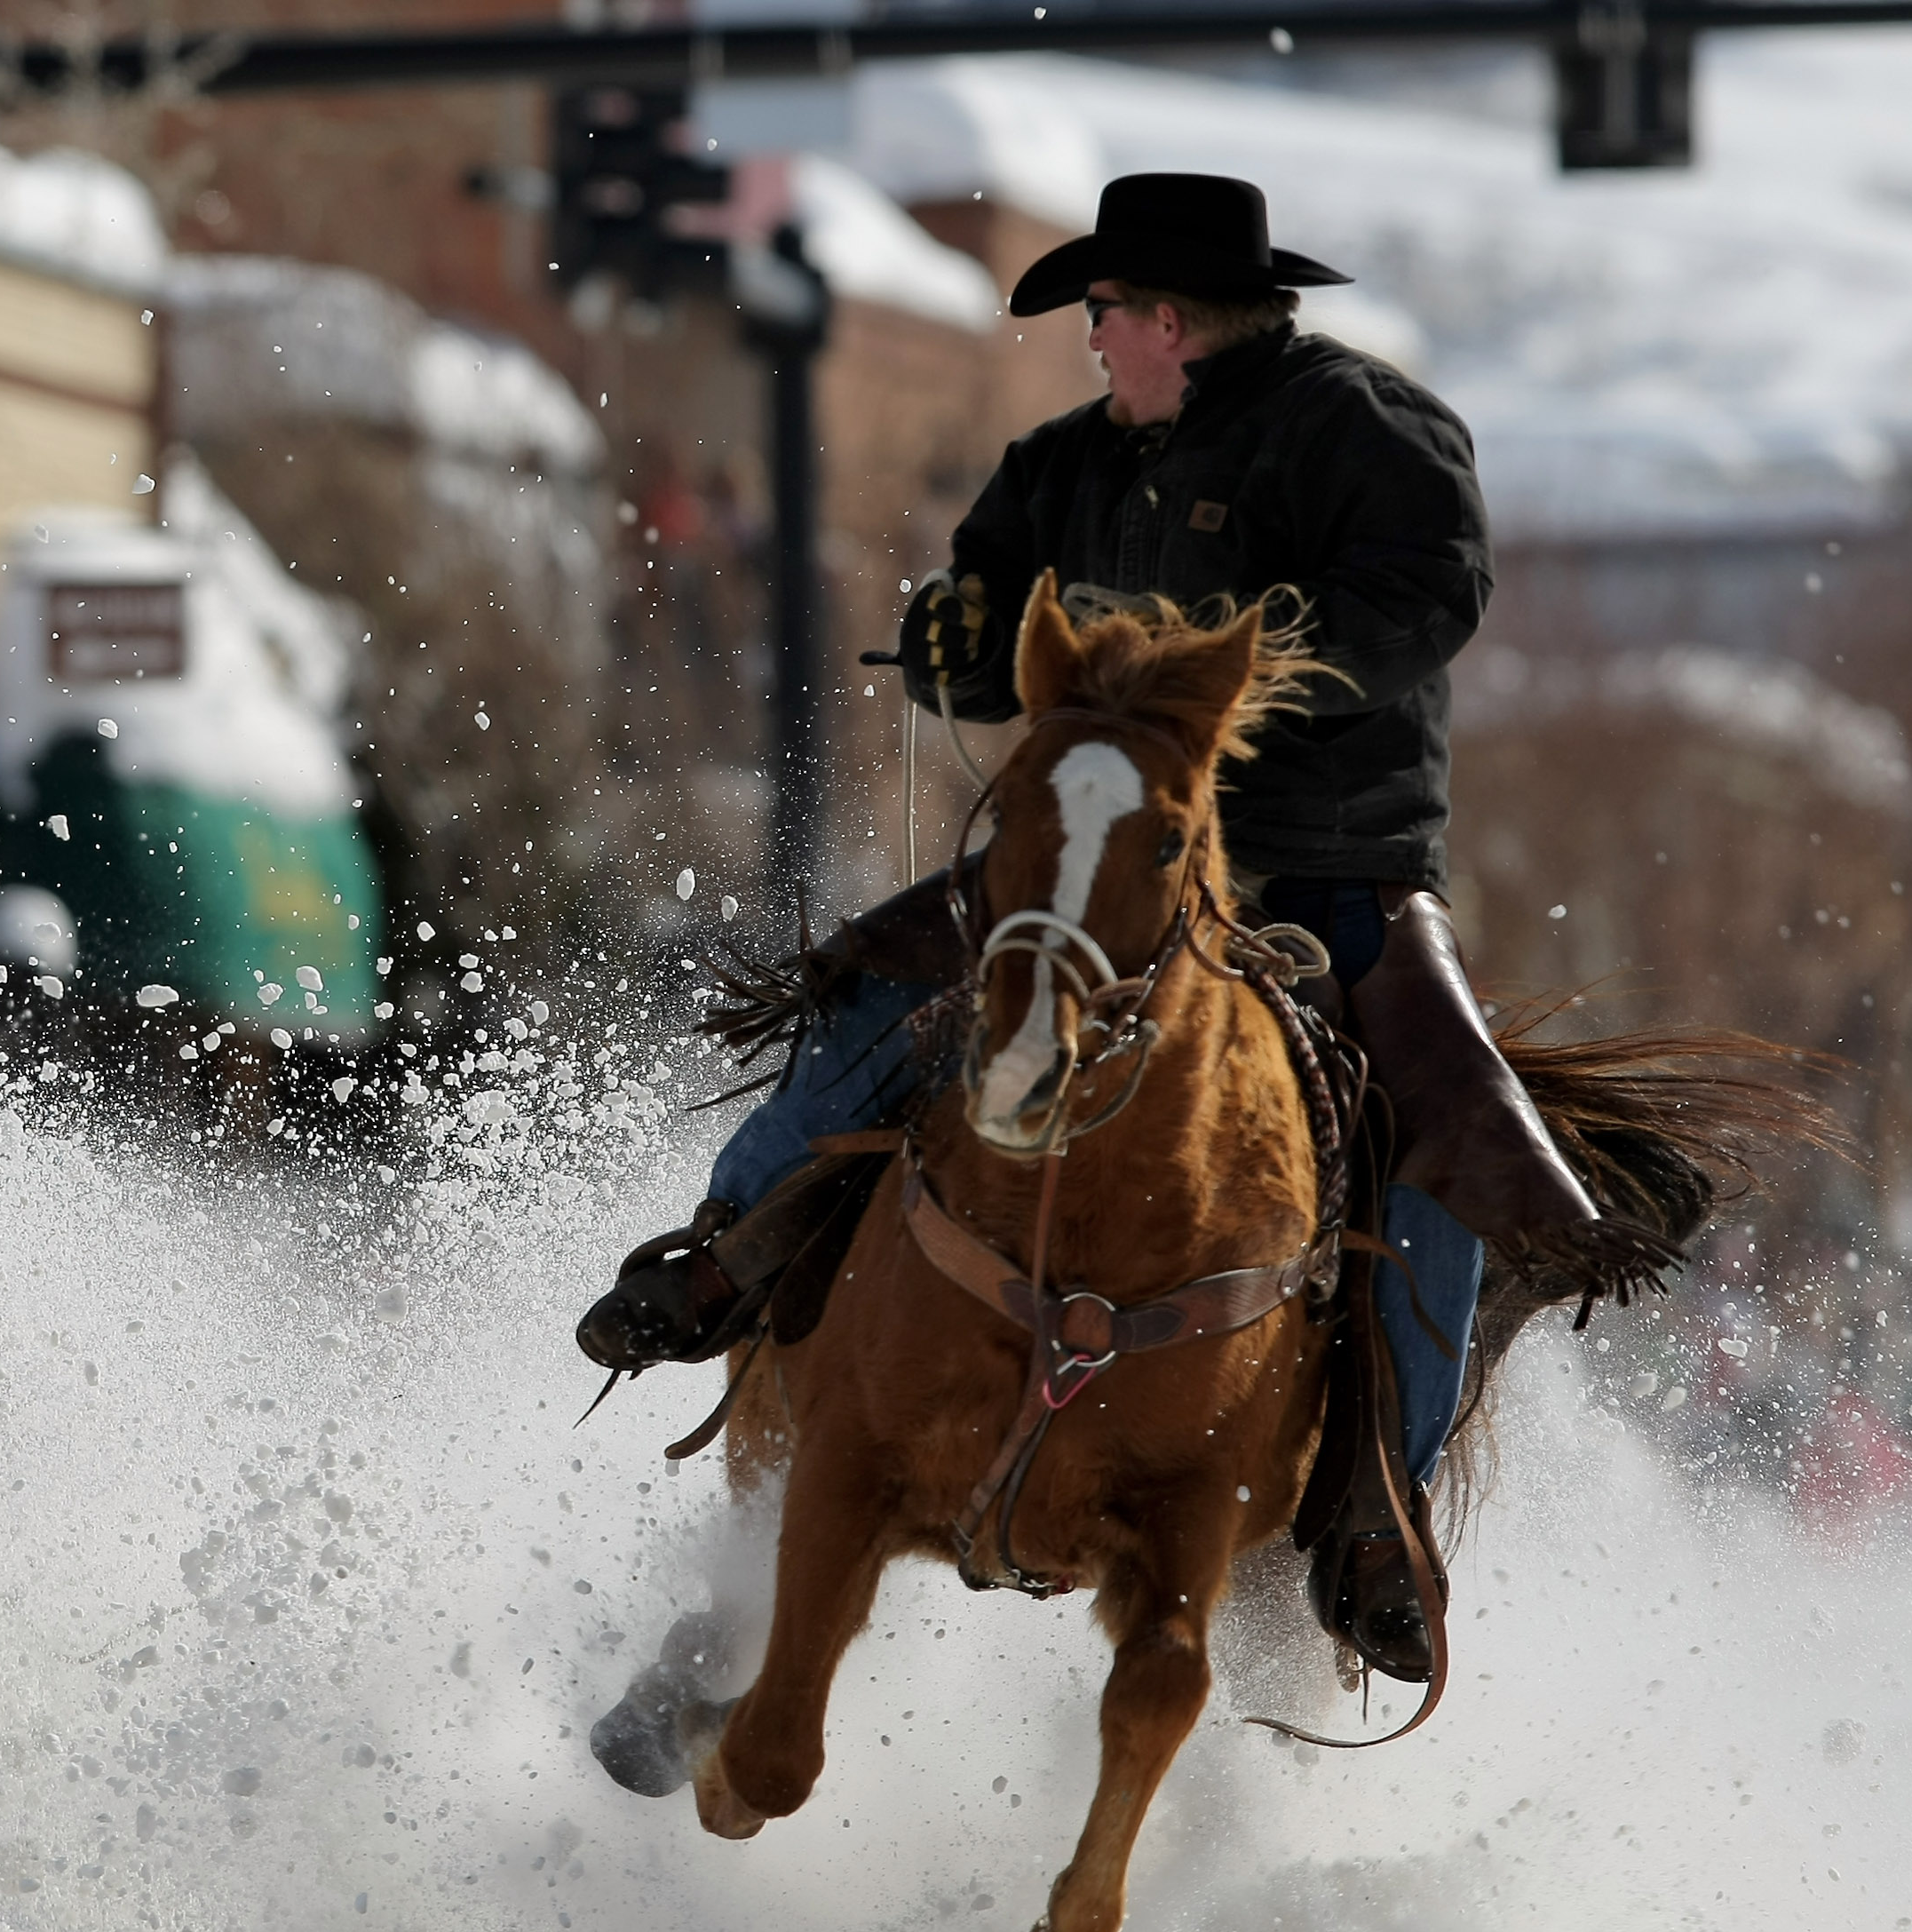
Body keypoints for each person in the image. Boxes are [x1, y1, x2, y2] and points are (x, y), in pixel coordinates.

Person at [577, 173, 1644, 1681]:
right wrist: (957, 642)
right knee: (867, 1004)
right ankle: (721, 1264)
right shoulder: (1062, 466)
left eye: (1100, 316)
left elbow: (1431, 594)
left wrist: (1233, 686)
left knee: (1452, 1143)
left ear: (1165, 320)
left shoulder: (1369, 432)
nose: (1089, 345)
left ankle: (1374, 1513)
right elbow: (985, 616)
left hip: (1329, 874)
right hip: (1077, 882)